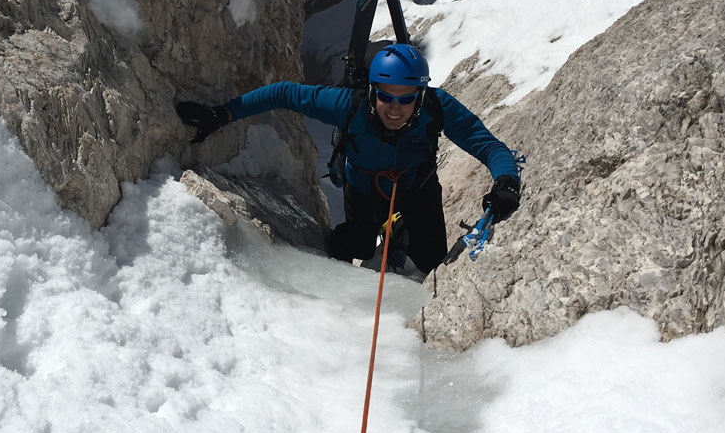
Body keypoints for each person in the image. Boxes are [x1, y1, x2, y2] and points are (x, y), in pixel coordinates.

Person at [174, 43, 520, 277]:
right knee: (348, 246)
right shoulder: (347, 105)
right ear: (372, 91)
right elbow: (283, 93)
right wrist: (221, 115)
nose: (394, 108)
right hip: (364, 193)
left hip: (418, 191)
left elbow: (488, 146)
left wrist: (505, 181)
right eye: (385, 97)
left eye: (406, 99)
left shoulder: (436, 106)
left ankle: (397, 232)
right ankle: (386, 230)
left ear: (421, 94)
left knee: (432, 262)